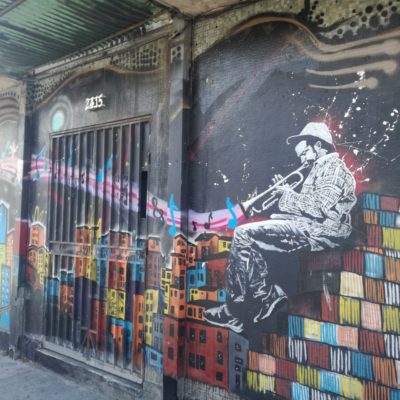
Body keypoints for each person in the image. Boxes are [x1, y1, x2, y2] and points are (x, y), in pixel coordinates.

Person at [205, 122, 357, 333]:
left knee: (243, 233)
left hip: (322, 232)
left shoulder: (333, 169)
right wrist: (283, 196)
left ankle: (249, 303)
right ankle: (255, 300)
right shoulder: (319, 169)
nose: (302, 160)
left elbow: (318, 208)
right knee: (251, 239)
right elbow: (306, 207)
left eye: (304, 153)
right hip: (310, 227)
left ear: (318, 146)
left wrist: (288, 195)